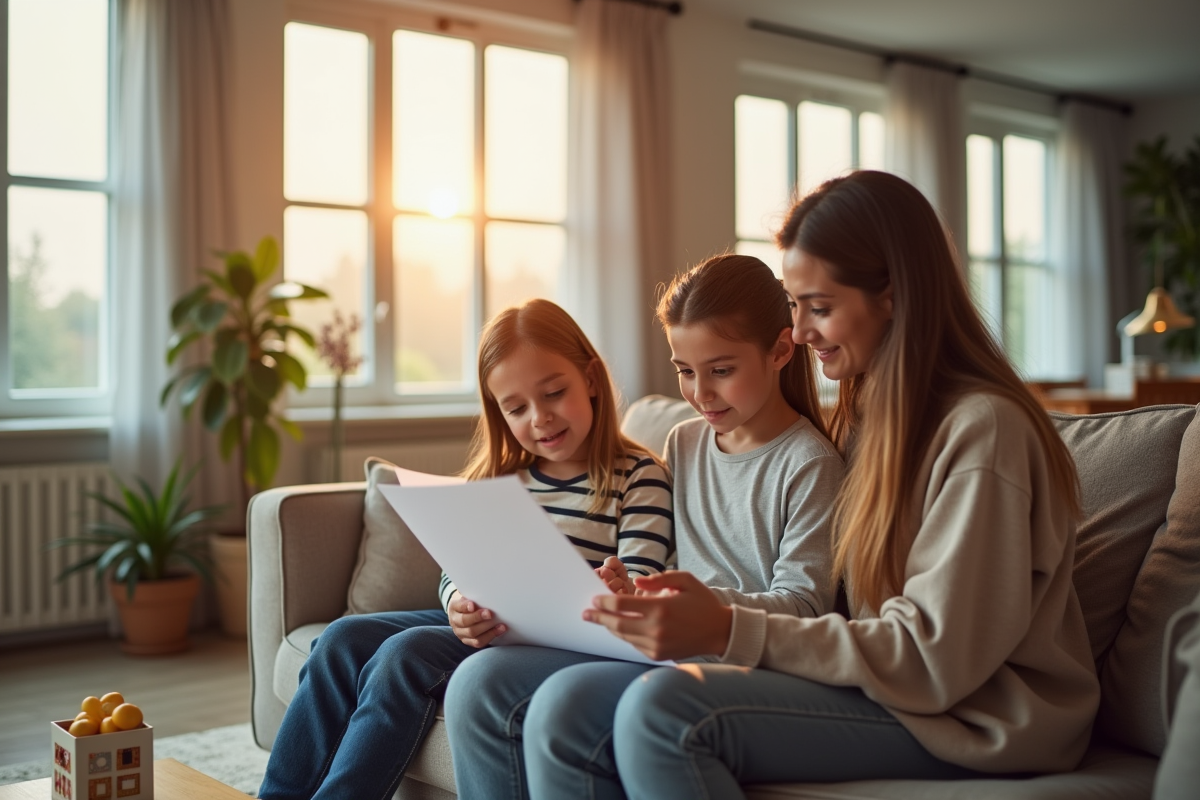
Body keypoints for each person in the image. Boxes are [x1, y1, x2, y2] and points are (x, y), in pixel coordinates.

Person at [502, 170, 1100, 800]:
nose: (802, 329)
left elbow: (931, 659)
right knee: (563, 707)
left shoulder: (984, 432)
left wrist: (724, 628)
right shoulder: (868, 422)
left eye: (820, 306)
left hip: (979, 718)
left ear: (893, 295)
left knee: (669, 711)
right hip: (892, 689)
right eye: (795, 305)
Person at [444, 254, 846, 799]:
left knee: (564, 705)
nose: (700, 393)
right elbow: (668, 559)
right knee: (476, 682)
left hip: (739, 660)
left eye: (721, 371)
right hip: (661, 644)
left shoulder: (808, 463)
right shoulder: (683, 442)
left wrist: (700, 606)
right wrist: (631, 588)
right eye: (685, 371)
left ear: (779, 350)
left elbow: (806, 606)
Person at [257, 298, 673, 800]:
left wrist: (619, 584)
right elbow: (458, 566)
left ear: (589, 378)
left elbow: (641, 573)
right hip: (495, 626)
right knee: (343, 638)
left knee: (406, 654)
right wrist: (457, 601)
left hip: (568, 640)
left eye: (554, 393)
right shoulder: (502, 477)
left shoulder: (640, 475)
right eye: (516, 408)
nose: (540, 418)